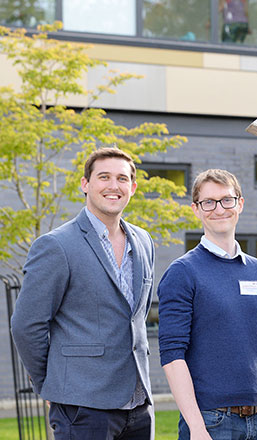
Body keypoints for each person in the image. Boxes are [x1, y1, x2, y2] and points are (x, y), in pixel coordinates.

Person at [11, 147, 155, 439]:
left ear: (133, 187)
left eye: (122, 178)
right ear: (85, 184)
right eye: (104, 177)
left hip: (139, 404)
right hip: (82, 405)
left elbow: (135, 316)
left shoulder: (144, 241)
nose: (114, 186)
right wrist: (49, 383)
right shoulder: (56, 245)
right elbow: (27, 325)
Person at [157, 169, 257, 440]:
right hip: (210, 421)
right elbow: (172, 356)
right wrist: (196, 427)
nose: (219, 209)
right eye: (208, 202)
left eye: (226, 200)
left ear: (240, 204)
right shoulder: (183, 272)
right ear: (196, 209)